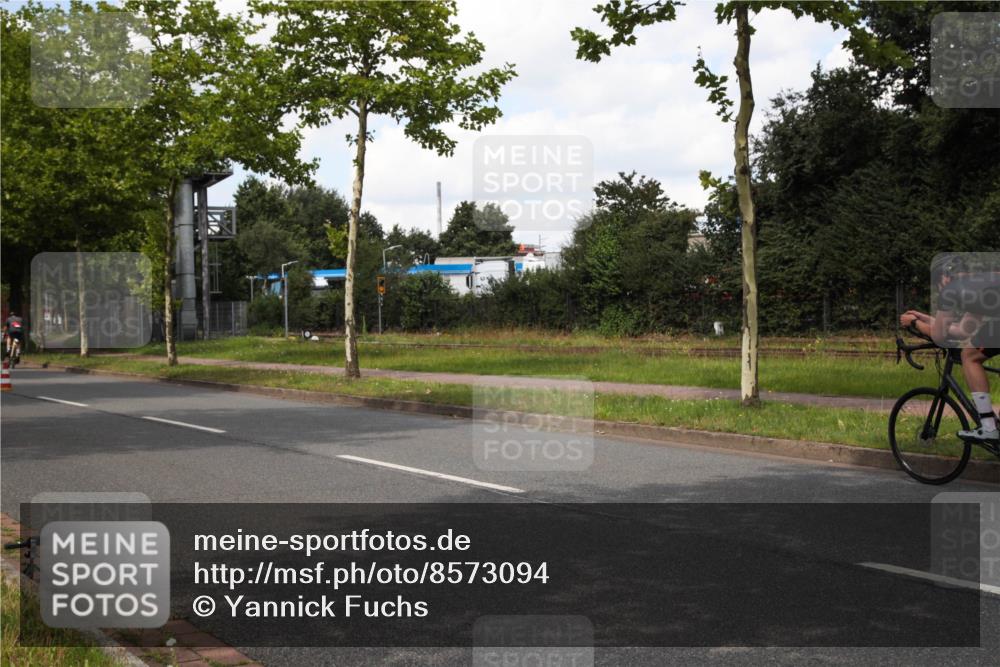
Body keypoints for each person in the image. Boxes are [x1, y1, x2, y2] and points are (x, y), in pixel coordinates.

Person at [900, 255, 999, 444]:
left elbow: (939, 336)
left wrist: (913, 322)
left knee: (969, 356)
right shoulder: (978, 287)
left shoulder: (951, 290)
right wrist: (925, 318)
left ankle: (988, 427)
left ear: (944, 278)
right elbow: (962, 330)